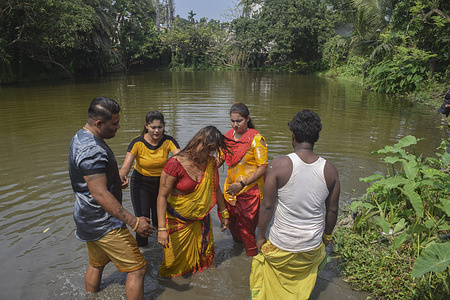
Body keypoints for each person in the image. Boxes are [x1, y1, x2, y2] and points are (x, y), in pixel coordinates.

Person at [68, 97, 155, 299]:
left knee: (96, 263)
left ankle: (91, 296)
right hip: (103, 222)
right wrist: (134, 222)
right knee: (138, 269)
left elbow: (92, 184)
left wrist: (115, 180)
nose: (118, 127)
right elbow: (100, 193)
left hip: (86, 217)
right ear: (99, 124)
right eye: (114, 123)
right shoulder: (92, 149)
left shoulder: (81, 137)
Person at [249, 109, 340, 300]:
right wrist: (327, 236)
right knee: (299, 290)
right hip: (311, 245)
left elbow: (267, 206)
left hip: (282, 243)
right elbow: (332, 210)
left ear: (293, 136)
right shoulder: (330, 171)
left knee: (271, 287)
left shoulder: (279, 165)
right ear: (316, 137)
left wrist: (260, 237)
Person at [156, 126, 230, 278]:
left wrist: (224, 213)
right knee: (171, 266)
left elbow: (215, 189)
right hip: (176, 222)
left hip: (201, 220)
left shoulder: (210, 163)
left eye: (213, 150)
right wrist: (161, 229)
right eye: (208, 149)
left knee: (208, 259)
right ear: (198, 142)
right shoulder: (175, 164)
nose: (210, 154)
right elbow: (161, 196)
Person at [119, 111, 180, 247]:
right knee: (143, 223)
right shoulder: (137, 142)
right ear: (147, 126)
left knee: (161, 222)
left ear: (164, 126)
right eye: (153, 127)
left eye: (160, 127)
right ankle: (142, 253)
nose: (157, 131)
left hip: (162, 185)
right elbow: (125, 167)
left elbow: (181, 159)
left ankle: (164, 253)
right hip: (141, 185)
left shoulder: (169, 141)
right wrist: (120, 178)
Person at [223, 103, 268, 257]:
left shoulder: (256, 139)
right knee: (233, 226)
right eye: (232, 121)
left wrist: (242, 184)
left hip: (250, 190)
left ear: (247, 119)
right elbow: (221, 158)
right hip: (231, 189)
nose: (235, 125)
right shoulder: (228, 137)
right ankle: (238, 254)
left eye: (239, 121)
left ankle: (253, 257)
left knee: (245, 227)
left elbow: (262, 167)